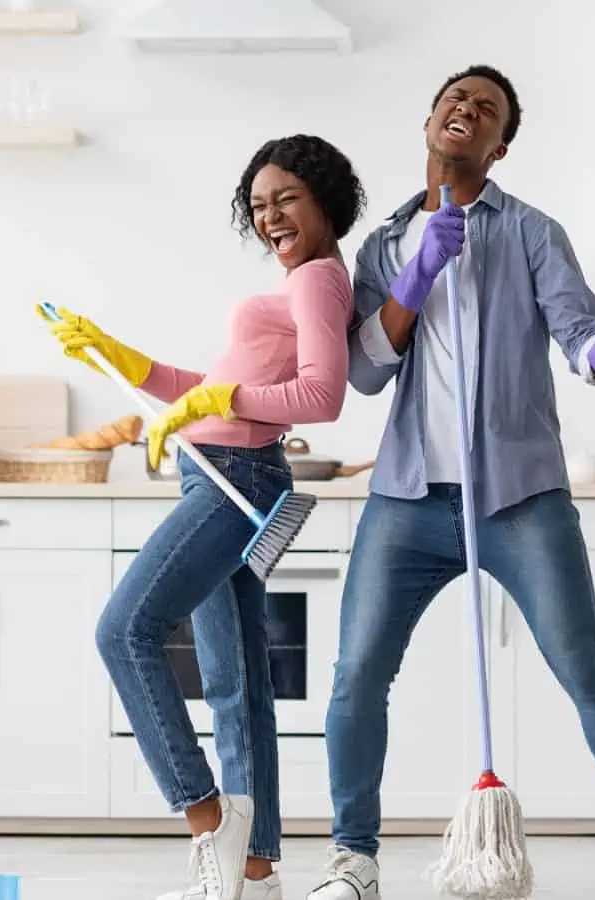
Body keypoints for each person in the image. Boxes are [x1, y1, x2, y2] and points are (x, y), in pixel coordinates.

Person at [306, 66, 595, 900]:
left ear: (499, 146)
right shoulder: (383, 245)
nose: (466, 112)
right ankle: (353, 861)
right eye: (455, 101)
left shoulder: (531, 234)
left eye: (485, 111)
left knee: (588, 669)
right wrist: (413, 279)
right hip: (408, 499)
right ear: (429, 120)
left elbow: (583, 341)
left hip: (519, 499)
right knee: (357, 676)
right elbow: (367, 373)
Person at [46, 134, 365, 900]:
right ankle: (253, 872)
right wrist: (125, 360)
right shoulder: (299, 286)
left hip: (234, 480)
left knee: (124, 631)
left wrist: (218, 401)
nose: (271, 217)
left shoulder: (320, 281)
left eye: (286, 197)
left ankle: (207, 823)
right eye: (258, 206)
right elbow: (215, 384)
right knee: (237, 679)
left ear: (324, 199)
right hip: (227, 472)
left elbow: (322, 396)